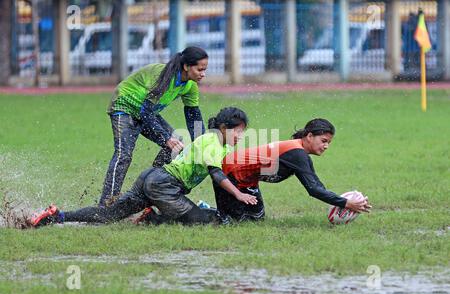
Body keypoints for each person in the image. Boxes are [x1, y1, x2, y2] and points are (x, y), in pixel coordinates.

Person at [28, 107, 257, 228]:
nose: (240, 136)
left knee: (109, 215)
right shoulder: (212, 141)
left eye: (243, 132)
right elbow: (217, 175)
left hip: (152, 177)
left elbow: (230, 169)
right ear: (224, 127)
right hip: (165, 186)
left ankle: (58, 216)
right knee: (205, 220)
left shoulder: (222, 146)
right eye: (238, 131)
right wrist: (239, 196)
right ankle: (152, 219)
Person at [99, 46, 209, 207]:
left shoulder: (190, 86)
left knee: (176, 143)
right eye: (200, 69)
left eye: (205, 70)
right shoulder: (163, 75)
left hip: (146, 111)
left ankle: (151, 185)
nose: (203, 74)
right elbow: (145, 113)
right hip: (125, 106)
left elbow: (194, 117)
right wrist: (165, 138)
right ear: (186, 66)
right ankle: (106, 205)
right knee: (124, 155)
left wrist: (204, 144)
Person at [212, 118, 372, 222]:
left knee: (256, 219)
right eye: (323, 141)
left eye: (329, 142)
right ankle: (204, 210)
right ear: (309, 136)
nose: (326, 146)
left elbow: (316, 185)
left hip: (247, 182)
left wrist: (344, 202)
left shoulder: (298, 152)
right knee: (229, 221)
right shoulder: (296, 153)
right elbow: (314, 190)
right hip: (228, 176)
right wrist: (346, 203)